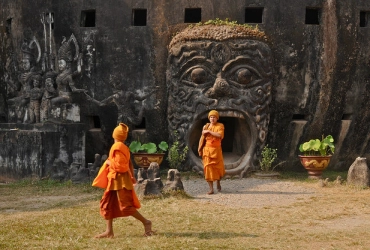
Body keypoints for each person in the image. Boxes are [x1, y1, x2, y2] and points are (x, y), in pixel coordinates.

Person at [93, 123, 154, 238]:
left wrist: (109, 162)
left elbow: (122, 167)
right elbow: (128, 164)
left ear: (115, 135)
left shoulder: (118, 147)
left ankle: (146, 222)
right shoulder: (122, 147)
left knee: (126, 206)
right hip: (114, 180)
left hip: (121, 181)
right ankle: (109, 231)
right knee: (108, 204)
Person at [198, 110, 225, 195]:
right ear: (209, 118)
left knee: (218, 168)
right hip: (207, 150)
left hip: (216, 150)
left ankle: (218, 182)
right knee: (208, 168)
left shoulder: (220, 126)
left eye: (214, 117)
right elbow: (202, 136)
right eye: (211, 117)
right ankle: (211, 189)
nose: (212, 119)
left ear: (217, 118)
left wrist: (209, 132)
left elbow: (220, 135)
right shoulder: (206, 126)